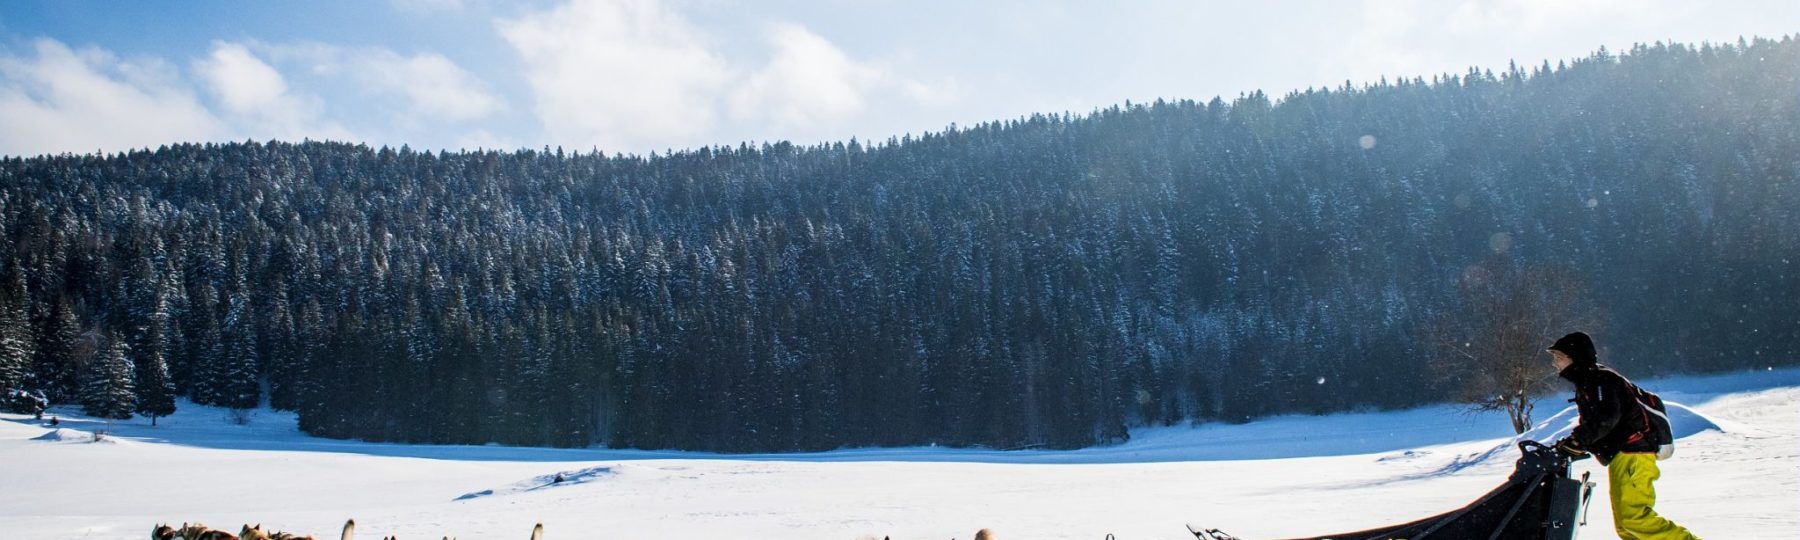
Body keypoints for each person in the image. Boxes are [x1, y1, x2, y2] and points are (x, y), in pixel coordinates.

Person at [1548, 331, 1698, 540]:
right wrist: (1575, 442)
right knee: (1626, 527)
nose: (1555, 363)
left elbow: (1608, 416)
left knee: (1633, 518)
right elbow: (1600, 420)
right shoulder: (1589, 381)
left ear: (1575, 356)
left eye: (1559, 357)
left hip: (1633, 453)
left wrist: (1578, 440)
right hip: (1625, 455)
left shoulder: (1599, 379)